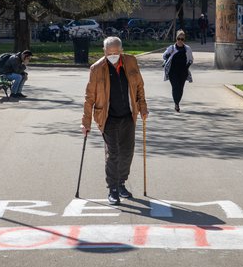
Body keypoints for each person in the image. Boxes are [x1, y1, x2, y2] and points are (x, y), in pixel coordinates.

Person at [81, 36, 149, 205]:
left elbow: (139, 85)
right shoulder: (97, 69)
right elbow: (89, 97)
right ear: (104, 52)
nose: (113, 55)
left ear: (121, 50)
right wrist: (86, 122)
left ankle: (121, 183)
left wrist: (143, 107)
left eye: (116, 52)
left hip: (128, 115)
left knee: (127, 152)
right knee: (114, 154)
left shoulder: (131, 62)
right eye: (110, 53)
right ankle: (112, 188)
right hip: (107, 117)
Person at [162, 30, 193, 112]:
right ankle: (176, 104)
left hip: (183, 71)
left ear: (184, 40)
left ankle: (177, 102)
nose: (180, 41)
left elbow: (191, 59)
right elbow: (164, 56)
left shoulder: (187, 49)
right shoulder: (171, 48)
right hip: (172, 71)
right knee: (175, 87)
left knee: (180, 88)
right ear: (176, 39)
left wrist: (187, 66)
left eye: (182, 39)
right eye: (178, 38)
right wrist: (168, 55)